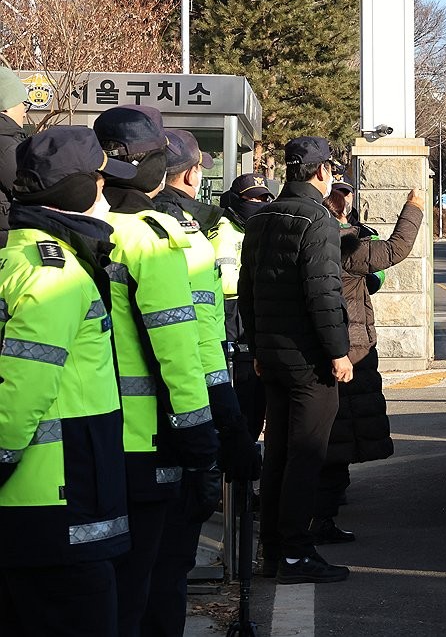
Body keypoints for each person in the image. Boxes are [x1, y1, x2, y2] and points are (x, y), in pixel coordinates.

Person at [0, 127, 138, 636]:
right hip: (57, 506)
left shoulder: (20, 258)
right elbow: (22, 389)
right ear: (78, 190)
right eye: (100, 183)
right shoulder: (52, 273)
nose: (106, 196)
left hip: (49, 504)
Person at [93, 106, 219, 634]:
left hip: (86, 439)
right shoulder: (154, 236)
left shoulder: (74, 227)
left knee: (102, 587)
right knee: (150, 580)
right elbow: (179, 350)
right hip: (150, 441)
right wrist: (204, 438)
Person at [143, 129, 261, 637]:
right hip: (177, 436)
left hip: (101, 443)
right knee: (165, 575)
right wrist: (228, 435)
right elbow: (197, 355)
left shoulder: (105, 226)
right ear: (193, 174)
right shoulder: (183, 239)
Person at [239, 136, 353, 584]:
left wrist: (258, 348)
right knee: (306, 457)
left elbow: (248, 289)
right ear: (321, 172)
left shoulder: (262, 217)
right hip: (309, 360)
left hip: (272, 355)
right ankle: (296, 553)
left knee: (278, 455)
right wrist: (338, 352)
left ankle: (273, 551)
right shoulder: (318, 221)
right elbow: (323, 294)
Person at [311, 186, 423, 544]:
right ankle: (321, 516)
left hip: (335, 347)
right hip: (347, 350)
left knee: (335, 433)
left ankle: (323, 507)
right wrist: (414, 207)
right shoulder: (342, 244)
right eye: (345, 204)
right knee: (337, 435)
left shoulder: (315, 238)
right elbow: (395, 250)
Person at [216, 173, 274, 442]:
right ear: (237, 200)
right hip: (230, 315)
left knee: (255, 397)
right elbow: (226, 281)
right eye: (252, 198)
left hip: (257, 313)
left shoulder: (264, 227)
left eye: (263, 198)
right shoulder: (222, 228)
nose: (258, 203)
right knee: (240, 391)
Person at [0, 66, 30, 245]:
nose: (25, 112)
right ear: (6, 107)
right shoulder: (6, 148)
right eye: (22, 104)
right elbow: (30, 190)